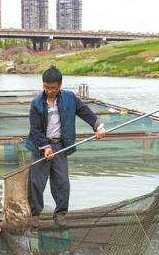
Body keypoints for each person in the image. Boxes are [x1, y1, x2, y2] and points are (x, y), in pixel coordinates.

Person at [25, 66, 106, 227]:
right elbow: (35, 129)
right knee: (36, 183)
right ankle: (34, 214)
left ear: (60, 85)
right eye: (46, 87)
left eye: (53, 88)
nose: (49, 91)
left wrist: (98, 126)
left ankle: (60, 214)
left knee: (62, 182)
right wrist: (45, 147)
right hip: (40, 147)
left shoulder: (69, 98)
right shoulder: (36, 103)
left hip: (60, 145)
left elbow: (85, 112)